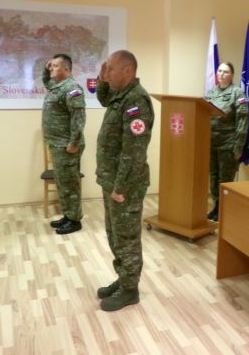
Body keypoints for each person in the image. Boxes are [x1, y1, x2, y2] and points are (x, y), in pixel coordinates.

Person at [95, 50, 154, 311]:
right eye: (106, 69)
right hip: (112, 180)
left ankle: (130, 290)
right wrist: (102, 78)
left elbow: (134, 151)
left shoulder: (136, 101)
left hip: (125, 185)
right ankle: (123, 278)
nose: (107, 74)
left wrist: (120, 187)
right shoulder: (120, 95)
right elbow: (103, 99)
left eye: (111, 69)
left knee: (126, 237)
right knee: (115, 235)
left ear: (127, 71)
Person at [41, 54, 86, 235]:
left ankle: (75, 221)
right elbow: (47, 82)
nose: (52, 68)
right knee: (62, 182)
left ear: (66, 69)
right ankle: (68, 215)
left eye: (56, 66)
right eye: (51, 66)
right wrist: (46, 69)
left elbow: (78, 119)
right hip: (57, 144)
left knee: (69, 184)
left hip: (67, 145)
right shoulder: (57, 87)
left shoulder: (72, 89)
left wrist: (74, 143)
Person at [204, 61, 249, 222]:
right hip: (211, 143)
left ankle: (225, 209)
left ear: (232, 75)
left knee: (225, 179)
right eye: (220, 71)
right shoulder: (211, 93)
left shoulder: (237, 93)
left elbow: (242, 121)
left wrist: (238, 147)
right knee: (213, 176)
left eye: (226, 72)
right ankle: (217, 206)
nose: (221, 74)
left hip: (228, 144)